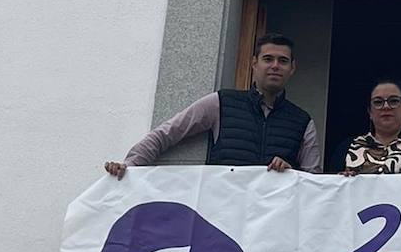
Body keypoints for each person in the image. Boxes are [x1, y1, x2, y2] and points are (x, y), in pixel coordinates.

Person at [104, 33, 321, 177]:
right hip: (224, 216)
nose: (275, 66)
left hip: (274, 222)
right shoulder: (222, 103)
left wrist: (291, 173)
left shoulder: (302, 121)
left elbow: (315, 181)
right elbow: (167, 133)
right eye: (268, 59)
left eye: (282, 61)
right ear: (254, 63)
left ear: (292, 68)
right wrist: (131, 166)